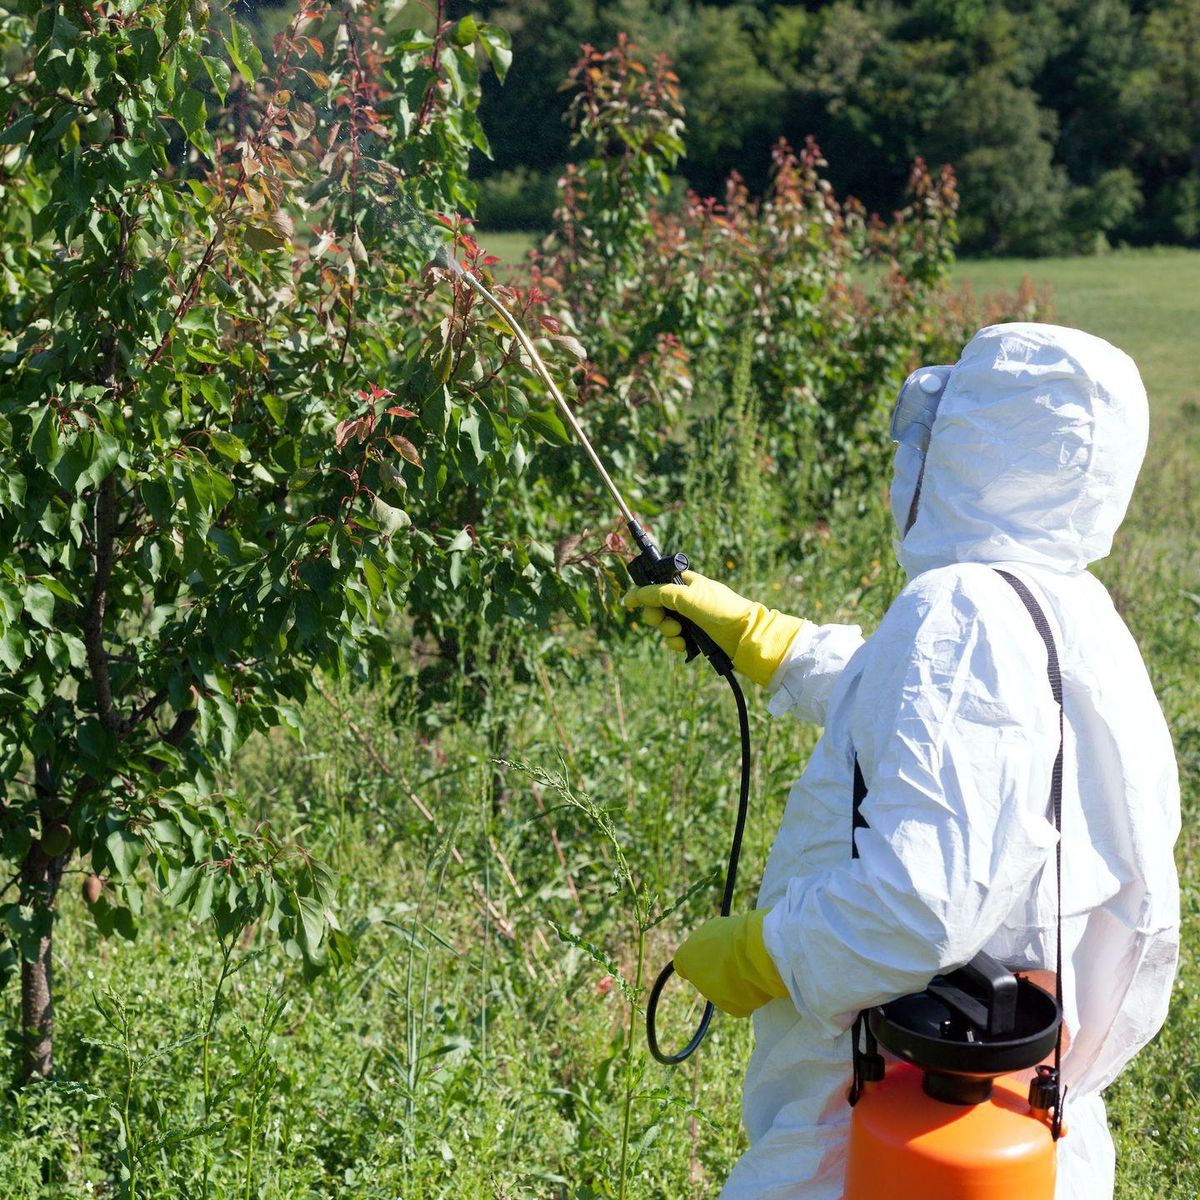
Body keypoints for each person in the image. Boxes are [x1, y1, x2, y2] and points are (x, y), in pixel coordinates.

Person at [623, 322, 1180, 1199]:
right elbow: (947, 719)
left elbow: (918, 905)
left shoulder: (961, 611)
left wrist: (766, 951)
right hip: (1017, 1128)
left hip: (877, 1126)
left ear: (974, 445)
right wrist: (768, 641)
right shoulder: (1077, 617)